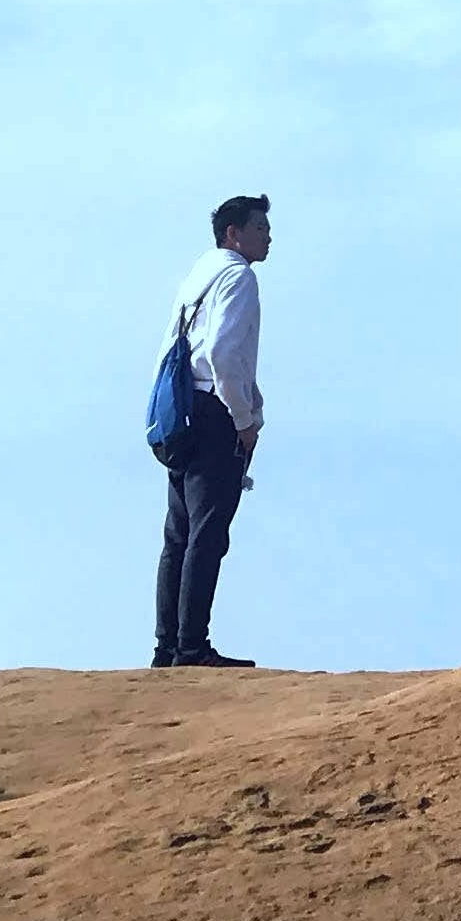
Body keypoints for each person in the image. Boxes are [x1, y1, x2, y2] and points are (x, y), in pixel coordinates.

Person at [152, 194, 271, 669]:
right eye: (259, 227)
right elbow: (223, 353)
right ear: (233, 234)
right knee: (207, 534)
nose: (268, 236)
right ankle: (191, 647)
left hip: (180, 412)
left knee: (179, 535)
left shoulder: (200, 272)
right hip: (213, 412)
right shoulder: (239, 276)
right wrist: (244, 419)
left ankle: (169, 646)